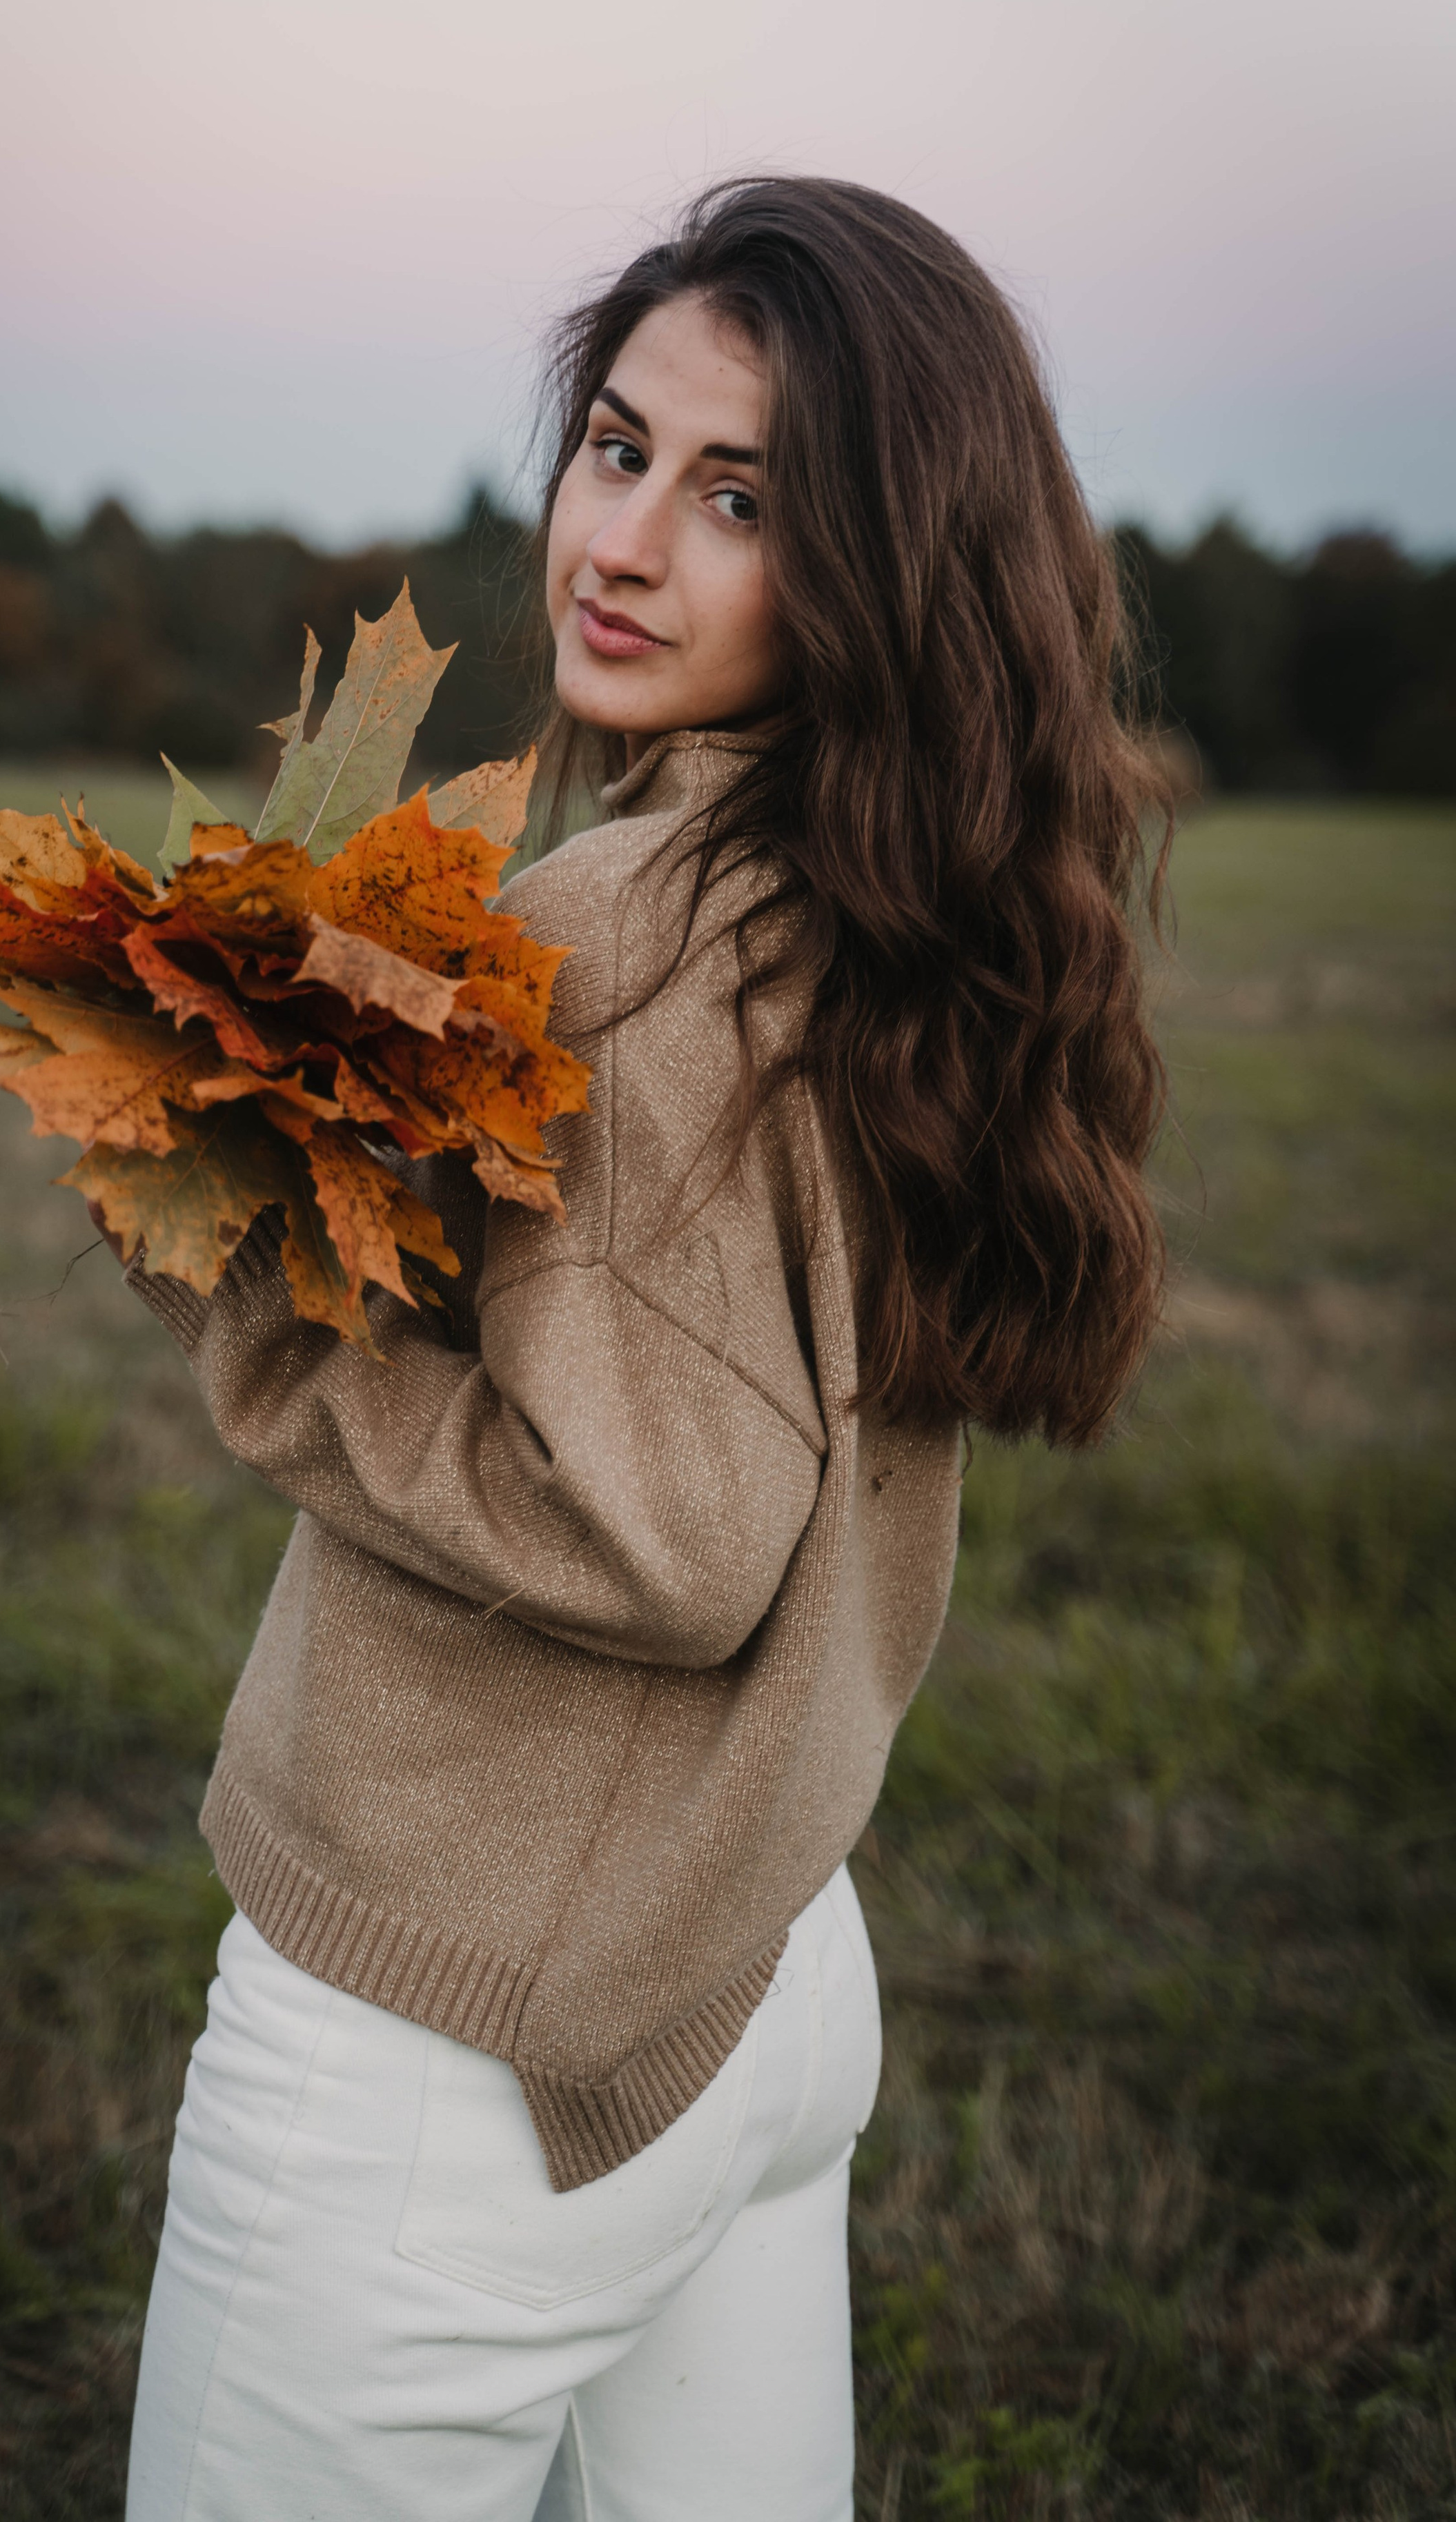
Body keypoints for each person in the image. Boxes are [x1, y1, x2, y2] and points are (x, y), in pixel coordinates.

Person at [114, 176, 1168, 2522]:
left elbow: (668, 1532)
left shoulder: (616, 934)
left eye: (743, 501)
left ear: (882, 567)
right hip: (757, 1977)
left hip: (458, 2044)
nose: (627, 538)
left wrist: (255, 1289)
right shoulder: (885, 902)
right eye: (617, 450)